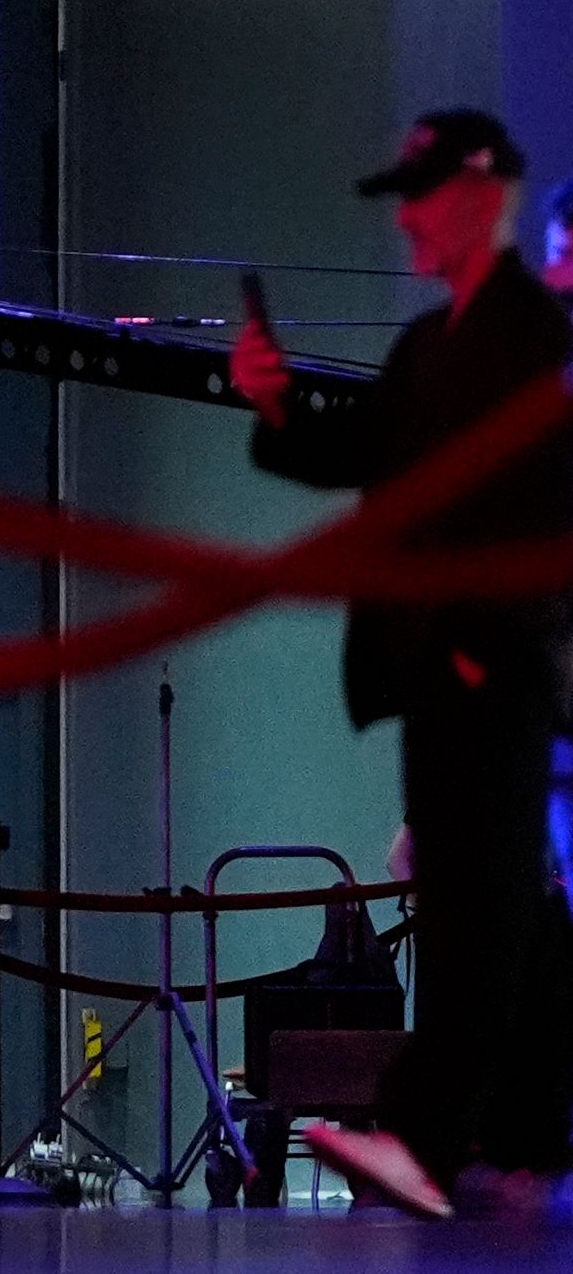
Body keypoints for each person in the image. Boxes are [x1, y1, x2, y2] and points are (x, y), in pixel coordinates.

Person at [233, 109, 573, 1219]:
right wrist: (275, 402)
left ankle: (442, 1135)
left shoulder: (531, 338)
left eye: (424, 195)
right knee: (481, 909)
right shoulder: (436, 345)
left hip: (490, 668)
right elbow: (360, 449)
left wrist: (484, 648)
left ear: (481, 197)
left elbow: (527, 513)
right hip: (444, 669)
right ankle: (504, 1139)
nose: (409, 218)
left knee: (487, 912)